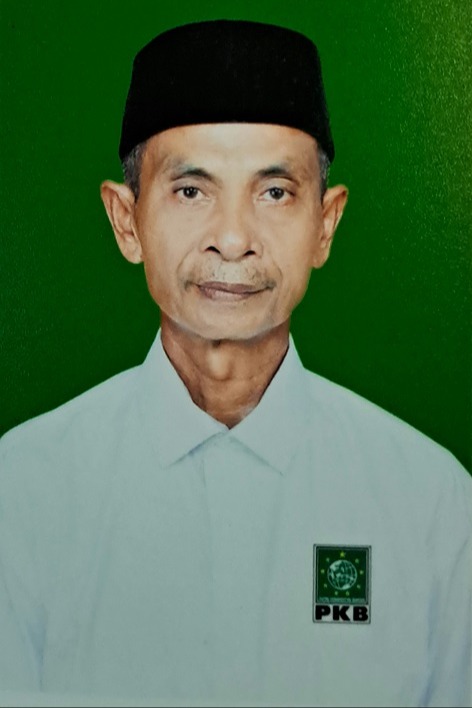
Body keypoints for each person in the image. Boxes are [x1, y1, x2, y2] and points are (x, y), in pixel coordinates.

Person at [0, 19, 470, 708]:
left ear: (325, 224)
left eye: (274, 192)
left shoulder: (432, 503)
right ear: (127, 220)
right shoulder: (22, 494)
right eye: (191, 190)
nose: (232, 238)